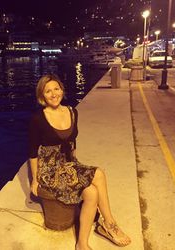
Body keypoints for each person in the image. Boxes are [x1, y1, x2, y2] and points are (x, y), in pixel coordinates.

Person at [29, 74, 131, 250]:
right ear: (42, 96)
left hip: (69, 164)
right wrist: (35, 180)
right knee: (98, 174)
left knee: (91, 192)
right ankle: (109, 223)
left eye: (56, 89)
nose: (53, 94)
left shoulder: (72, 112)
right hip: (50, 170)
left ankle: (82, 243)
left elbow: (72, 143)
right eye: (48, 91)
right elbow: (32, 152)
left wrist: (76, 167)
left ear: (62, 89)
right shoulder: (38, 119)